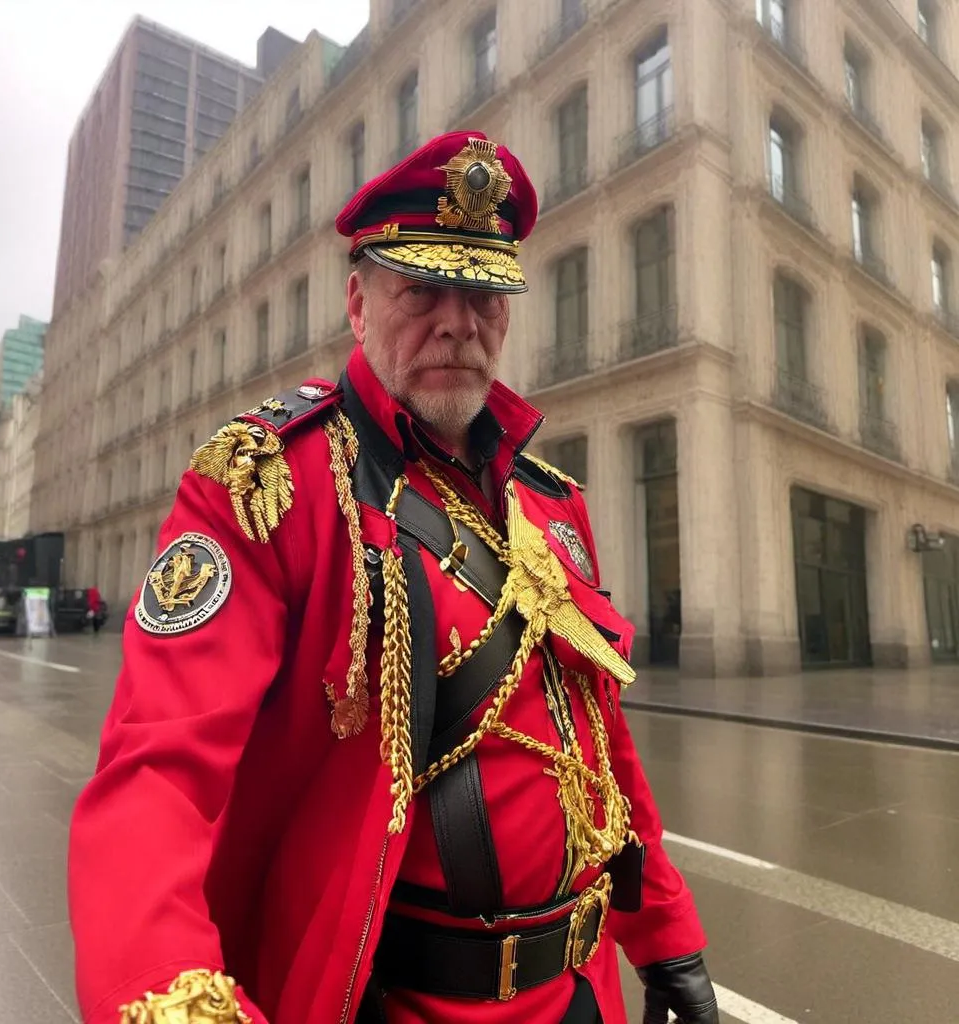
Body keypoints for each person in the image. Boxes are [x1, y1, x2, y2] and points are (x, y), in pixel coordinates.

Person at [68, 131, 719, 1024]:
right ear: (358, 301)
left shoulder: (553, 506)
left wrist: (667, 936)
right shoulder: (271, 486)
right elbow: (156, 781)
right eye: (423, 289)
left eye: (485, 294)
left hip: (579, 994)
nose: (459, 322)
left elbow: (597, 741)